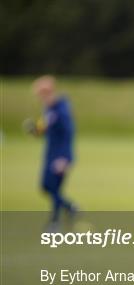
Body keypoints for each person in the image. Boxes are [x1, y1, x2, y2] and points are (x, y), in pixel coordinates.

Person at [25, 75, 78, 230]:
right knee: (46, 187)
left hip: (61, 155)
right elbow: (44, 129)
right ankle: (70, 207)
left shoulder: (62, 109)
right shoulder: (48, 109)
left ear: (48, 93)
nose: (40, 98)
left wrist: (64, 158)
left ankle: (55, 222)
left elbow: (69, 134)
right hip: (50, 153)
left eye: (41, 95)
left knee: (54, 187)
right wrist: (34, 130)